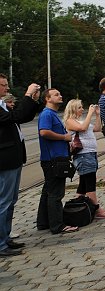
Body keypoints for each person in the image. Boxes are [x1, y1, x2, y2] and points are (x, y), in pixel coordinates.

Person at [0, 77, 42, 256]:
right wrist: (26, 94)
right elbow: (14, 116)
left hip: (14, 158)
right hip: (5, 159)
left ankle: (5, 237)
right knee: (3, 202)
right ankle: (1, 244)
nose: (7, 87)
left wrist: (32, 99)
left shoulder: (2, 104)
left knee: (10, 201)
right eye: (4, 85)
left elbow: (22, 116)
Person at [63, 100, 105, 218]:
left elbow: (97, 128)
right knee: (90, 182)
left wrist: (97, 114)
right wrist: (90, 113)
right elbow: (82, 128)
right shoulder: (69, 121)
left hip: (90, 154)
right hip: (83, 155)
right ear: (73, 109)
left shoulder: (81, 120)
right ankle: (96, 209)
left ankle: (78, 205)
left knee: (84, 183)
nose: (82, 109)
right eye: (79, 107)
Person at [36, 88, 77, 233]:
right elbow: (44, 132)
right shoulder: (47, 114)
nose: (60, 96)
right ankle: (57, 225)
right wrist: (64, 137)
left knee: (48, 191)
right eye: (56, 94)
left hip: (54, 158)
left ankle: (43, 222)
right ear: (48, 99)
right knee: (56, 193)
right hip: (53, 159)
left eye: (60, 93)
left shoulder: (52, 114)